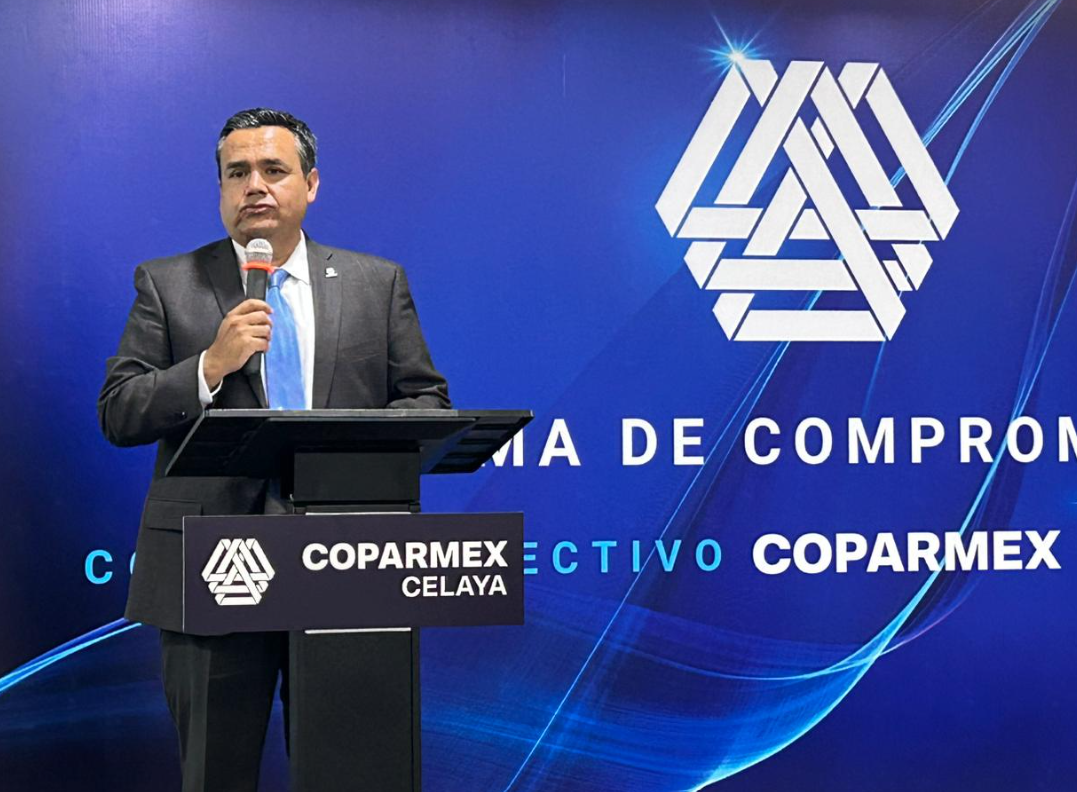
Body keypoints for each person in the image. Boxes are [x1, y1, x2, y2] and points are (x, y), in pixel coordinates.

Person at [98, 108, 450, 790]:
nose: (254, 186)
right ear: (221, 190)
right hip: (214, 570)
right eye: (237, 173)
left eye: (273, 170)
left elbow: (426, 402)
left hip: (344, 563)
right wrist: (210, 364)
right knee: (216, 774)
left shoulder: (377, 284)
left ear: (310, 184)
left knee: (352, 774)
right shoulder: (168, 283)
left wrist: (344, 447)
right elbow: (119, 410)